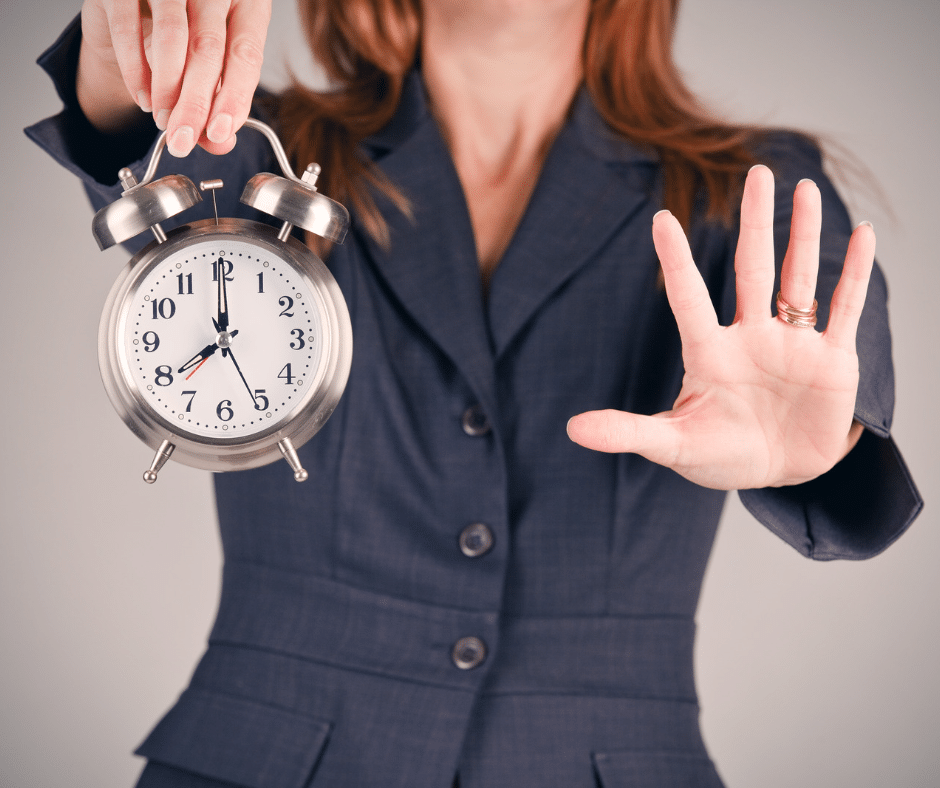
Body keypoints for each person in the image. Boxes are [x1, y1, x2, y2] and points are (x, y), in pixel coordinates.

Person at [27, 0, 922, 786]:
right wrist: (132, 63)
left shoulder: (757, 188)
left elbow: (842, 421)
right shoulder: (253, 149)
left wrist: (824, 451)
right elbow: (135, 144)